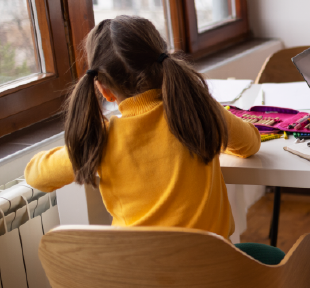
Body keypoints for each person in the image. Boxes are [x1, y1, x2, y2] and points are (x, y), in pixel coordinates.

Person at [24, 16, 283, 265]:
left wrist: (86, 141)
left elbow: (36, 176)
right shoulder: (199, 110)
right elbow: (250, 143)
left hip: (139, 276)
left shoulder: (101, 139)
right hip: (211, 271)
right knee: (275, 258)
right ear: (163, 66)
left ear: (103, 88)